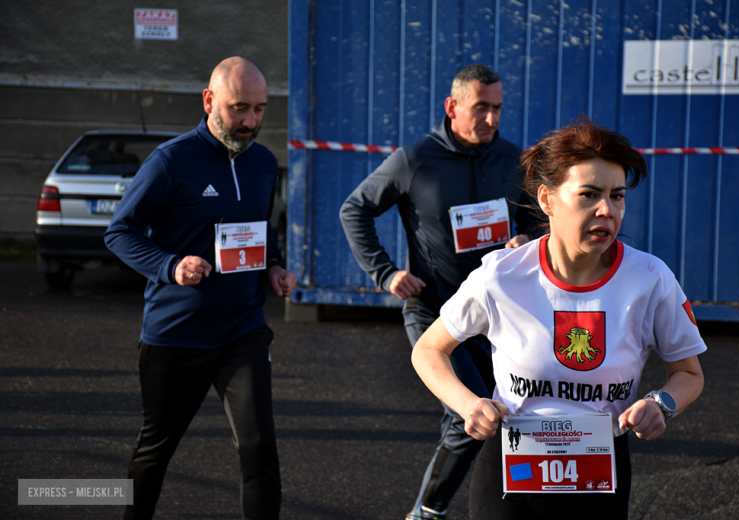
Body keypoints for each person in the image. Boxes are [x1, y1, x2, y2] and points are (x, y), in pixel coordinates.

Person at [411, 116, 706, 519]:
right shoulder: (502, 275)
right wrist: (468, 404)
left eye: (617, 196)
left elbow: (689, 373)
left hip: (602, 477)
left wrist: (662, 403)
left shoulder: (651, 278)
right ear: (547, 200)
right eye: (589, 194)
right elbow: (428, 349)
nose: (607, 209)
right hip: (509, 477)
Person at [340, 64, 537, 520]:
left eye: (498, 108)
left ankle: (514, 507)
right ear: (452, 107)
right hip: (435, 311)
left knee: (513, 413)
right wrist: (385, 273)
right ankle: (425, 514)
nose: (491, 119)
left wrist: (527, 239)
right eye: (480, 108)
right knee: (468, 419)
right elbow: (356, 209)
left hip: (498, 316)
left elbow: (538, 219)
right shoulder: (415, 160)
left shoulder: (512, 159)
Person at [105, 56, 296, 520]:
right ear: (209, 100)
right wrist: (171, 265)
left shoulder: (264, 162)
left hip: (242, 329)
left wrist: (274, 265)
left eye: (260, 109)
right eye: (239, 109)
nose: (251, 121)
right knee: (155, 452)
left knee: (258, 449)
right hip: (177, 333)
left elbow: (261, 227)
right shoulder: (171, 161)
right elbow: (120, 232)